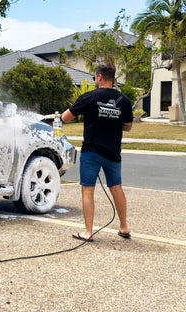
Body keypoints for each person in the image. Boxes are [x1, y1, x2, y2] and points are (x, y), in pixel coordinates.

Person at [61, 63, 133, 242]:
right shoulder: (123, 100)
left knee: (88, 190)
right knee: (116, 188)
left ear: (100, 77)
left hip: (91, 152)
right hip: (113, 152)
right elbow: (128, 126)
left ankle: (88, 232)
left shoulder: (89, 97)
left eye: (95, 77)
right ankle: (124, 227)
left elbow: (65, 117)